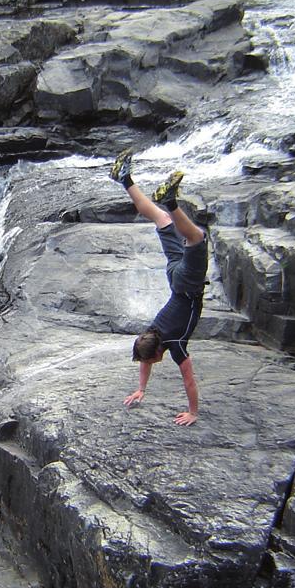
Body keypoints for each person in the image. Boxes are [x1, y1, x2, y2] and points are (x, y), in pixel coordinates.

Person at [109, 149, 208, 426]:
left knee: (197, 238)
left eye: (151, 360)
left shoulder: (174, 344)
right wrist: (141, 389)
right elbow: (145, 356)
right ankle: (124, 178)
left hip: (187, 286)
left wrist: (193, 413)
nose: (150, 362)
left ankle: (171, 201)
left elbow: (188, 380)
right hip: (174, 277)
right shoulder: (152, 332)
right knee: (161, 220)